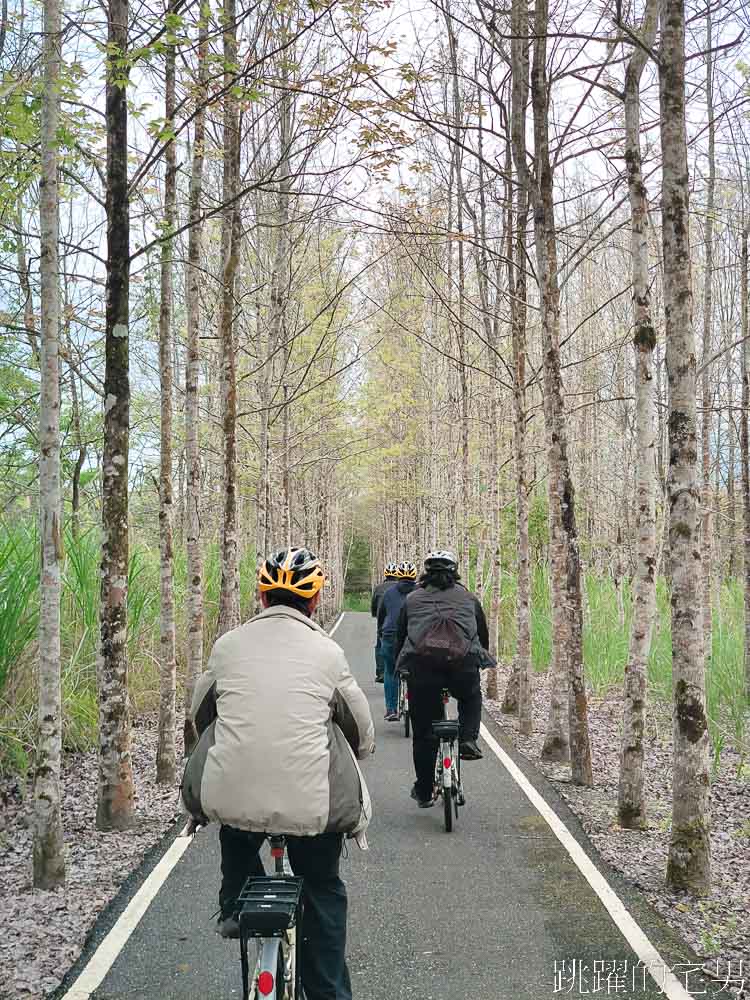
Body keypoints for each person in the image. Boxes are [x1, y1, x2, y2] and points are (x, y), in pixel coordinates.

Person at [182, 547, 375, 1000]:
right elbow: (361, 730)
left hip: (232, 800)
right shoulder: (327, 653)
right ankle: (327, 991)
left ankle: (234, 903)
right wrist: (361, 749)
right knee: (323, 887)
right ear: (314, 602)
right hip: (311, 811)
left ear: (263, 598)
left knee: (238, 821)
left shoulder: (227, 646)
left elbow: (200, 714)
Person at [394, 550, 493, 808]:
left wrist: (400, 666)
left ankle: (425, 790)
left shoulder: (413, 599)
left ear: (426, 573)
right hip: (462, 666)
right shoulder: (469, 598)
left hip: (422, 669)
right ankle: (468, 739)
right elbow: (482, 635)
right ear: (454, 572)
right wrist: (479, 659)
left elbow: (400, 636)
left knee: (424, 733)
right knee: (471, 696)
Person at [376, 561, 417, 721]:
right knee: (417, 671)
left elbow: (381, 617)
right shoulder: (421, 592)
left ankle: (391, 709)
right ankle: (418, 705)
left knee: (390, 670)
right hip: (413, 637)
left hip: (390, 636)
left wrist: (381, 634)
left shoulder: (388, 593)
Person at [370, 561, 399, 683]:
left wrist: (375, 614)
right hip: (399, 622)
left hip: (383, 624)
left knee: (380, 646)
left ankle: (381, 672)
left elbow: (374, 607)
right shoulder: (399, 588)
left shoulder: (379, 588)